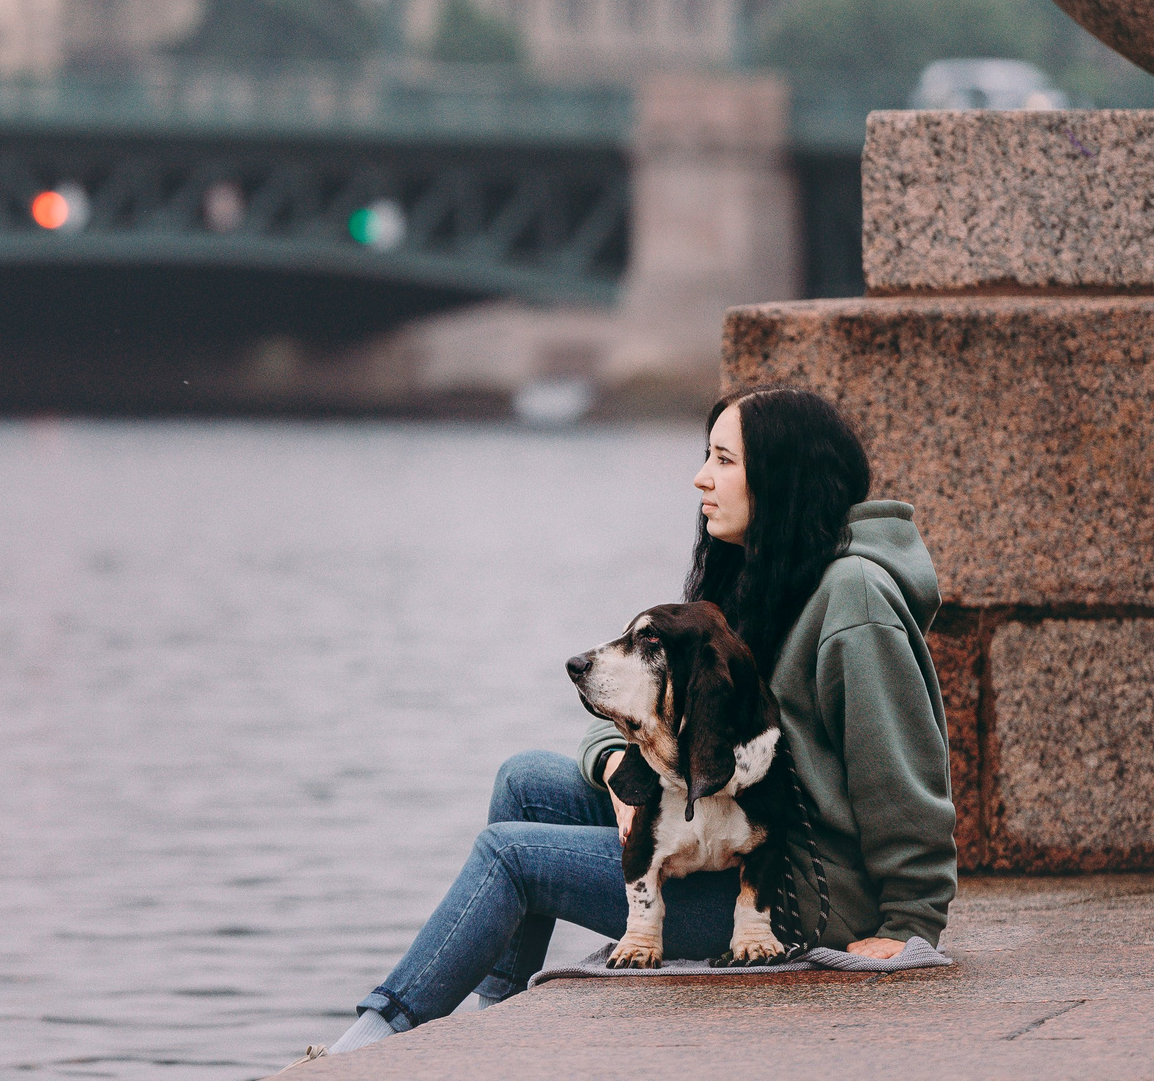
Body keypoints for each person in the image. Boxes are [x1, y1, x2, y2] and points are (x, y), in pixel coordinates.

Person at [302, 387, 957, 1061]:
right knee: (524, 780)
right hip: (711, 821)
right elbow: (633, 703)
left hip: (791, 893)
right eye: (707, 455)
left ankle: (367, 1048)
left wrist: (909, 920)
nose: (700, 478)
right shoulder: (758, 575)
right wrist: (617, 763)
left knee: (510, 856)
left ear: (783, 476)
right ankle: (493, 1018)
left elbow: (902, 775)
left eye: (724, 460)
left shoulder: (853, 598)